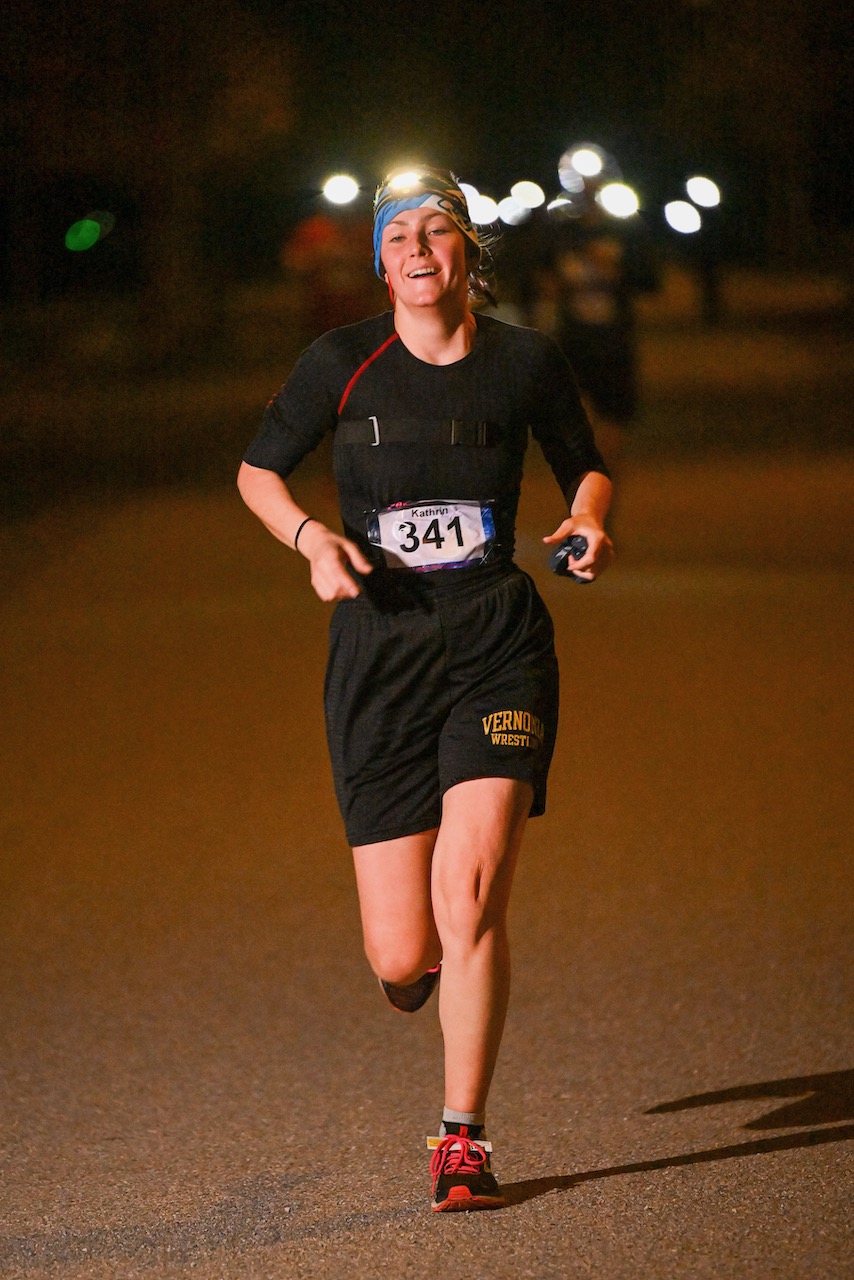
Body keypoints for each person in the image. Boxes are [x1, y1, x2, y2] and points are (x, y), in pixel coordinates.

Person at [237, 166, 613, 1212]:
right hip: (380, 647)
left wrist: (587, 517)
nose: (416, 246)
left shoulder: (525, 361)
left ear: (464, 255)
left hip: (495, 636)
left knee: (473, 893)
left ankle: (460, 1139)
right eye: (396, 232)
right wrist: (313, 538)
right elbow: (256, 471)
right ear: (379, 260)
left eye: (436, 228)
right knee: (403, 947)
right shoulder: (340, 363)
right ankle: (414, 976)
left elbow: (585, 462)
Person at [527, 176, 659, 483]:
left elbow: (649, 281)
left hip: (614, 344)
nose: (590, 196)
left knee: (612, 424)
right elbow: (539, 280)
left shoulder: (625, 232)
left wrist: (617, 272)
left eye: (595, 189)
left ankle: (601, 500)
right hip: (574, 343)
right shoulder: (561, 234)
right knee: (578, 424)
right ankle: (584, 495)